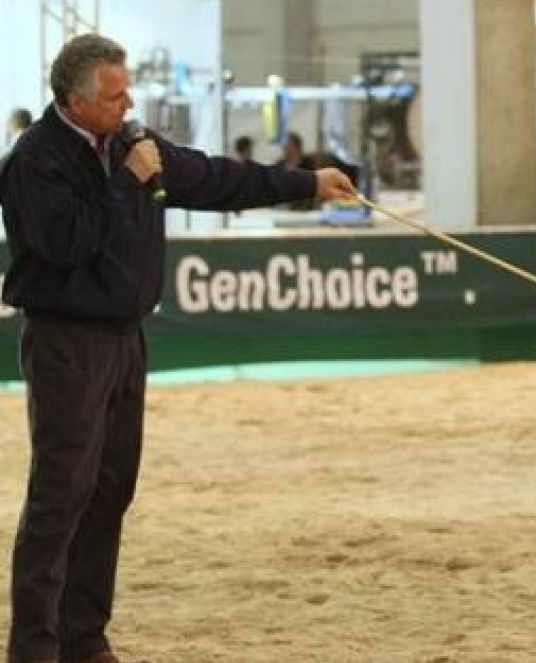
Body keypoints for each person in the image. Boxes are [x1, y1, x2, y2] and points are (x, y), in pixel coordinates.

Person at [0, 34, 355, 663]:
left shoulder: (135, 146)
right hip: (67, 343)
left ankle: (84, 639)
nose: (127, 102)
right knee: (61, 495)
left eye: (125, 90)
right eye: (114, 97)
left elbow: (215, 178)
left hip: (126, 339)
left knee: (110, 490)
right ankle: (33, 649)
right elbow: (67, 243)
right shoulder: (35, 159)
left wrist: (305, 181)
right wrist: (122, 182)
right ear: (74, 103)